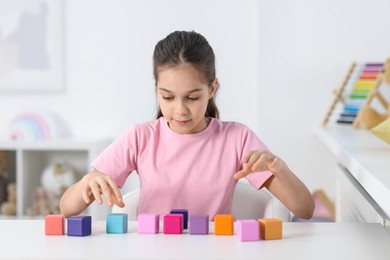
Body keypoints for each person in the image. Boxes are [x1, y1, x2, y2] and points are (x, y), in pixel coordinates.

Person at [60, 31, 314, 220]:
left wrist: (280, 169)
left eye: (192, 97)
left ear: (212, 88)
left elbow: (305, 209)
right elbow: (66, 208)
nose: (180, 110)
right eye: (168, 97)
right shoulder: (140, 137)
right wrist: (88, 181)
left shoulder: (237, 138)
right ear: (156, 89)